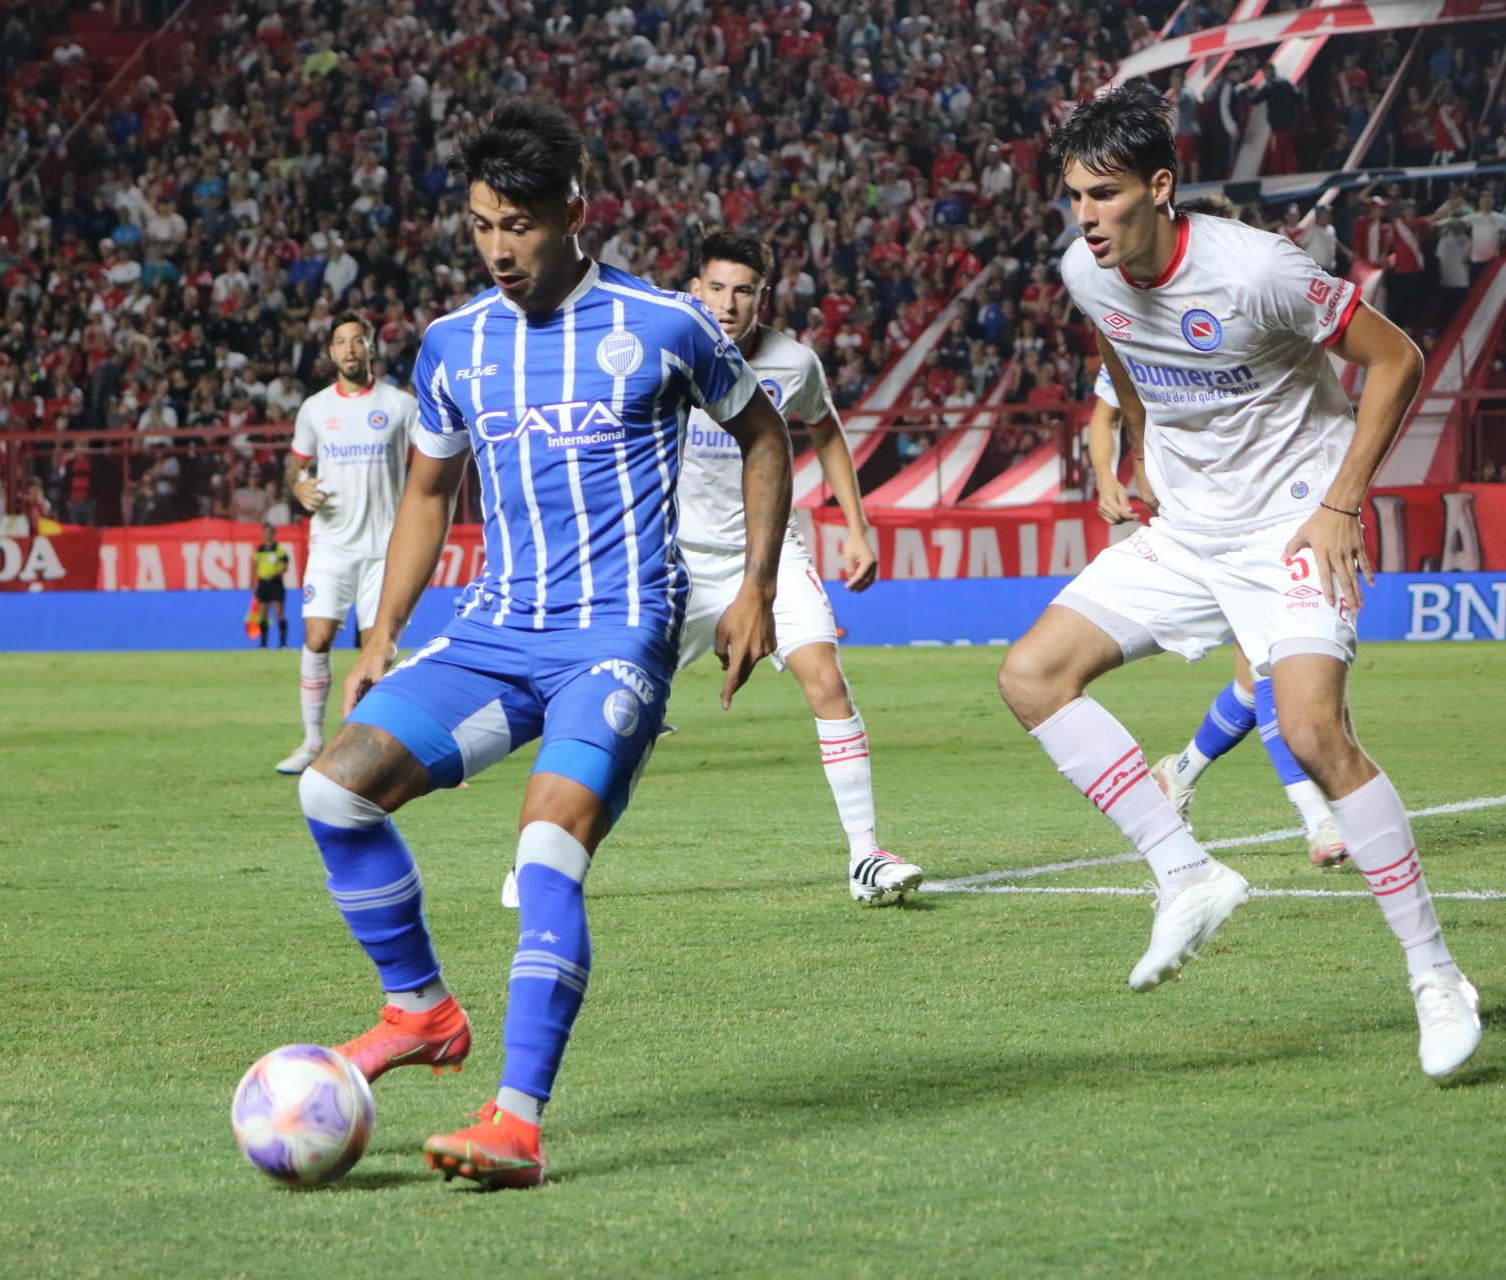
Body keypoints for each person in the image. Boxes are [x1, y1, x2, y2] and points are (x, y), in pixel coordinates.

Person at [295, 97, 791, 1188]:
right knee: (334, 792)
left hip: (617, 634)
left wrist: (754, 586)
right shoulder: (451, 345)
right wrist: (382, 633)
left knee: (545, 849)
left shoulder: (663, 324)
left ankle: (517, 1119)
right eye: (480, 224)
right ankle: (421, 1009)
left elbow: (765, 434)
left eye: (516, 221)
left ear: (573, 212)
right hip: (494, 628)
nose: (498, 246)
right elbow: (428, 489)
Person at [997, 83, 1479, 1078]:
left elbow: (1397, 358)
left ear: (1161, 187)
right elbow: (1122, 358)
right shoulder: (1084, 275)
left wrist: (1344, 503)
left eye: (1106, 194)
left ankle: (1435, 973)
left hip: (1294, 524)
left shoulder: (1254, 269)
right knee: (1033, 675)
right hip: (1189, 531)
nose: (1086, 214)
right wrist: (1136, 455)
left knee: (1309, 730)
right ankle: (1186, 872)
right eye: (1074, 195)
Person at [596, 228, 921, 905]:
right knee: (614, 711)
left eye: (743, 290)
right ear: (694, 289)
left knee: (826, 679)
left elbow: (826, 429)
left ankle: (865, 855)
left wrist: (857, 529)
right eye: (716, 287)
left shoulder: (793, 364)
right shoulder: (663, 348)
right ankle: (556, 855)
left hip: (767, 557)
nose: (729, 302)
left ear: (762, 296)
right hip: (671, 563)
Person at [1082, 195, 1347, 869]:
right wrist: (1117, 473)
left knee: (1257, 678)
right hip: (1200, 522)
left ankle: (1182, 774)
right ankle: (1317, 818)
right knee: (1270, 677)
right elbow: (1107, 411)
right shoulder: (1139, 322)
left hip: (1268, 510)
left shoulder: (1250, 303)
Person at [273, 312, 416, 774]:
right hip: (332, 542)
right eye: (341, 342)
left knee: (376, 648)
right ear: (331, 352)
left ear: (371, 347)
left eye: (358, 340)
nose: (350, 349)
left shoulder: (399, 405)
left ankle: (370, 748)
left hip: (384, 549)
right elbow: (295, 465)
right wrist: (297, 487)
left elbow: (434, 458)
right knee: (317, 637)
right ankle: (313, 741)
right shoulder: (315, 409)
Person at [251, 522, 289, 648]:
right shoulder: (259, 549)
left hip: (275, 583)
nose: (266, 535)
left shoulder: (278, 549)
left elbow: (285, 567)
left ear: (273, 534)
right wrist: (253, 582)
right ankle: (263, 644)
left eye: (269, 532)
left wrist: (276, 574)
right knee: (263, 614)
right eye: (265, 532)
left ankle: (283, 644)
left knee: (279, 612)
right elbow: (254, 566)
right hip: (263, 583)